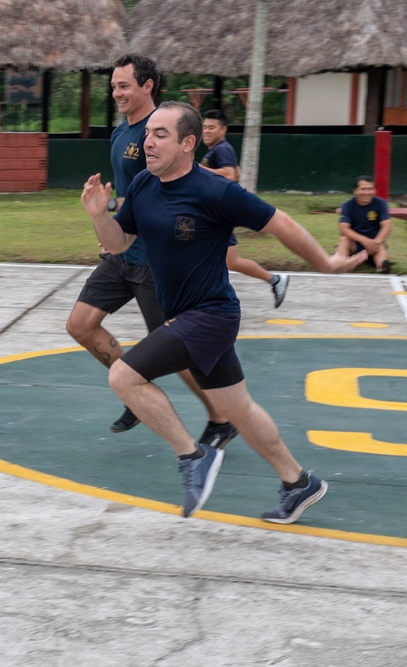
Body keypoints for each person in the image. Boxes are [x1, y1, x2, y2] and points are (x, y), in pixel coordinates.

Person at [80, 101, 366, 522]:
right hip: (191, 316)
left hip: (210, 315)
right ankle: (298, 483)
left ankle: (193, 457)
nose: (148, 141)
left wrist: (325, 264)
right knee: (239, 410)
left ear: (188, 143)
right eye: (148, 133)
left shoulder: (215, 191)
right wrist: (98, 216)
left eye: (161, 134)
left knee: (124, 375)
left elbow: (280, 222)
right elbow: (120, 242)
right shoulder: (143, 185)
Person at [65, 54, 237, 451]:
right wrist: (109, 221)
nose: (116, 93)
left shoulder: (163, 131)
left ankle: (222, 418)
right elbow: (131, 196)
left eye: (124, 85)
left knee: (179, 352)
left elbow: (183, 188)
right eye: (113, 86)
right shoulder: (119, 134)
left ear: (148, 86)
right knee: (80, 325)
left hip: (156, 263)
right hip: (123, 254)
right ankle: (134, 391)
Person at [200, 109, 288, 307]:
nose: (206, 131)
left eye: (211, 127)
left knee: (222, 258)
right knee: (229, 260)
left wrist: (197, 169)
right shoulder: (218, 149)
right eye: (204, 127)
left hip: (219, 214)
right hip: (216, 212)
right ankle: (274, 280)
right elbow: (237, 172)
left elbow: (230, 174)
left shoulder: (222, 148)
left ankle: (274, 280)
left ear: (223, 129)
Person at [337, 175, 392, 274]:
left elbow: (386, 225)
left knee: (381, 248)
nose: (367, 192)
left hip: (375, 244)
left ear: (374, 190)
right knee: (344, 239)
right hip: (355, 244)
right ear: (355, 191)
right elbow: (344, 229)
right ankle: (341, 265)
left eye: (370, 189)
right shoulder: (347, 205)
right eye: (363, 189)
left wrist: (376, 242)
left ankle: (382, 268)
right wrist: (365, 241)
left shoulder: (381, 203)